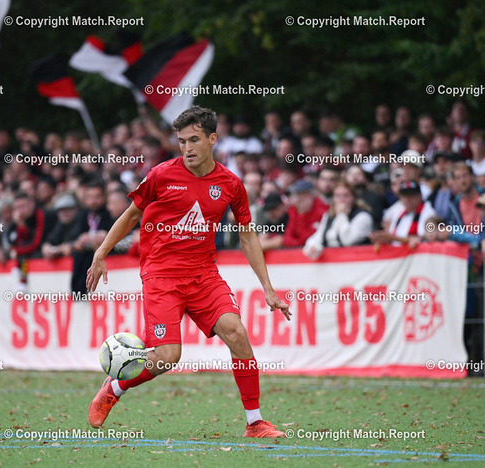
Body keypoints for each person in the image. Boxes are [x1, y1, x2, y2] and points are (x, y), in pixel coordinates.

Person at [86, 106, 291, 438]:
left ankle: (255, 423)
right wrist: (101, 252)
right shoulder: (161, 175)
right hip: (161, 275)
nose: (187, 148)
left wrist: (268, 289)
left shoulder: (230, 184)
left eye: (194, 140)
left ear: (212, 139)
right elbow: (131, 215)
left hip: (204, 274)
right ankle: (116, 386)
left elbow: (247, 235)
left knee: (237, 333)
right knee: (168, 357)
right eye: (182, 141)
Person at [303, 182, 373, 259]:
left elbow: (347, 241)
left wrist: (342, 215)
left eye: (346, 195)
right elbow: (317, 237)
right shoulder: (329, 216)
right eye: (337, 196)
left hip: (357, 260)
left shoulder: (363, 216)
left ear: (353, 198)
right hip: (333, 261)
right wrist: (313, 247)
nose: (341, 199)